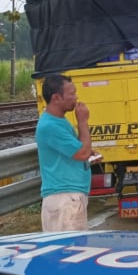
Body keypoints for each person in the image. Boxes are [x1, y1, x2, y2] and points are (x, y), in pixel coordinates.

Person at [36, 74, 94, 231]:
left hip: (68, 197)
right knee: (73, 250)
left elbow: (77, 149)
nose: (76, 98)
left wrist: (88, 150)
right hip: (65, 199)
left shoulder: (58, 121)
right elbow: (82, 153)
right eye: (72, 93)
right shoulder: (51, 126)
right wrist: (82, 121)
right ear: (56, 98)